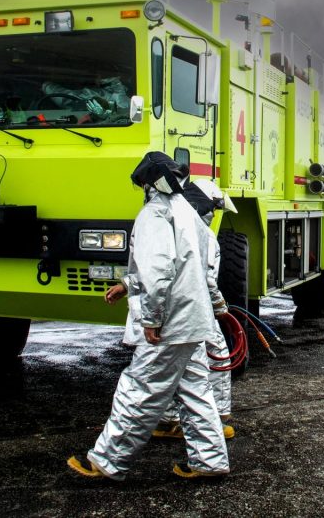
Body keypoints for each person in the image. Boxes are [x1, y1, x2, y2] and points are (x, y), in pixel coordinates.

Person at [67, 152, 229, 481]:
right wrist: (215, 305)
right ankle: (209, 461)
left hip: (170, 321)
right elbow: (197, 265)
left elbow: (159, 271)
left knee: (140, 388)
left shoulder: (154, 213)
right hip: (194, 321)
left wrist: (152, 318)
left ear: (147, 182)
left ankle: (107, 461)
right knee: (196, 391)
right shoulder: (187, 211)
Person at [152, 179, 238, 438]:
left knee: (169, 364)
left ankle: (168, 420)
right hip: (196, 311)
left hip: (170, 312)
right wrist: (221, 308)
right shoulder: (205, 237)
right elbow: (207, 280)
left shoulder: (172, 227)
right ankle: (219, 419)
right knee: (217, 355)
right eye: (213, 208)